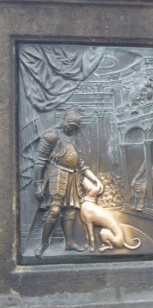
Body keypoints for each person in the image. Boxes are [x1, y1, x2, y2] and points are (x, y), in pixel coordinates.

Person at [33, 110, 104, 257]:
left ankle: (69, 243)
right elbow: (40, 160)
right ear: (64, 122)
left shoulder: (73, 141)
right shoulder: (52, 136)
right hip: (57, 175)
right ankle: (44, 243)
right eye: (71, 125)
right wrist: (38, 184)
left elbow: (82, 165)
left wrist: (96, 180)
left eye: (75, 127)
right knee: (54, 210)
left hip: (73, 178)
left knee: (70, 210)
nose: (72, 129)